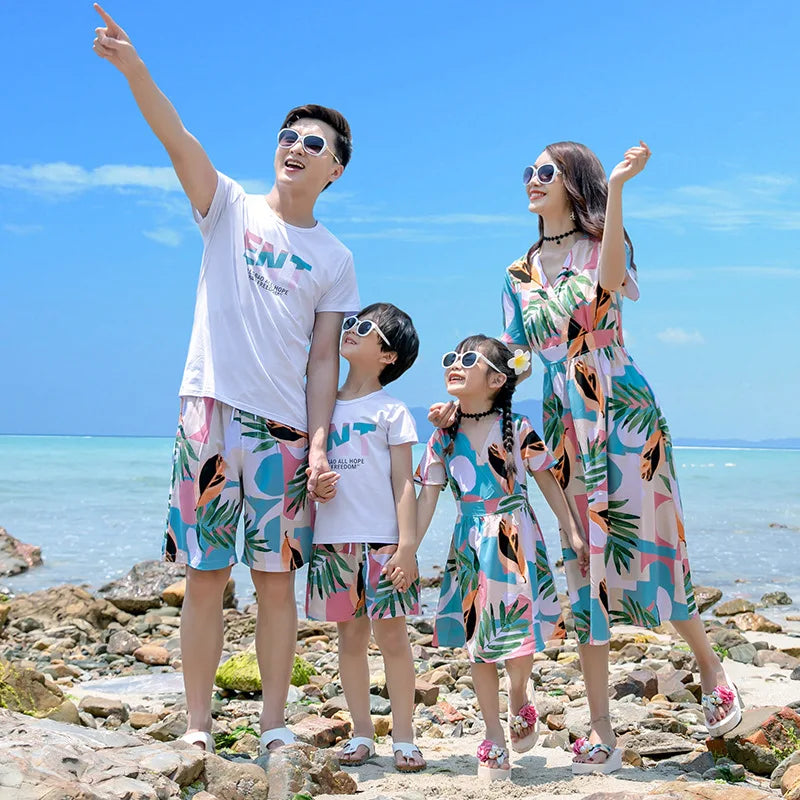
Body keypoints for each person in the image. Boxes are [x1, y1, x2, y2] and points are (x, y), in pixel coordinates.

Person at [92, 5, 360, 755]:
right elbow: (177, 139)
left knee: (277, 583)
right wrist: (136, 69)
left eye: (313, 144)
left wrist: (317, 444)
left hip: (282, 434)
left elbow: (321, 360)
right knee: (206, 576)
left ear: (335, 168)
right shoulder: (229, 208)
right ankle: (199, 727)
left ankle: (274, 725)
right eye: (288, 137)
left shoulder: (335, 258)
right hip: (208, 416)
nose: (295, 148)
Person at [497, 141, 742, 772]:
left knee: (656, 539)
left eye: (544, 172)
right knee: (582, 562)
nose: (532, 180)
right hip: (560, 420)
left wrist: (619, 189)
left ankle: (712, 669)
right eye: (528, 172)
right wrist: (471, 406)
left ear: (573, 182)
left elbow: (608, 285)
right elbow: (515, 354)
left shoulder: (599, 244)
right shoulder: (517, 273)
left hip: (620, 410)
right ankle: (602, 732)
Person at [415, 336, 587, 781]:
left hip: (514, 538)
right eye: (450, 357)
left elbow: (548, 480)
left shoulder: (519, 425)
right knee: (478, 642)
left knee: (515, 633)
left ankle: (518, 694)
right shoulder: (442, 435)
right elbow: (426, 498)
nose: (454, 364)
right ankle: (493, 734)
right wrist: (407, 550)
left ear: (496, 379)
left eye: (467, 360)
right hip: (470, 541)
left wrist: (570, 527)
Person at [305, 303, 426, 773]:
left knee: (393, 638)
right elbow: (310, 469)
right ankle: (360, 733)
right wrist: (316, 486)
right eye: (350, 324)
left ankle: (404, 737)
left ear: (389, 355)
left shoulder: (392, 410)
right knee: (349, 639)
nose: (349, 331)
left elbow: (404, 483)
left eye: (364, 328)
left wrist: (408, 547)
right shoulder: (323, 403)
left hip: (383, 543)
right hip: (334, 539)